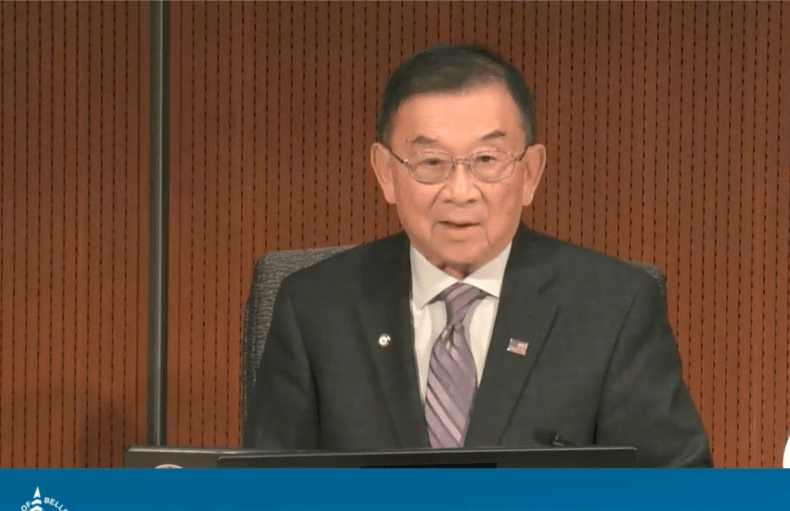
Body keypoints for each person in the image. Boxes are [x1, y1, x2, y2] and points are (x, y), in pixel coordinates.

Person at [242, 44, 712, 467]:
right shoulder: (316, 307)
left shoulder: (612, 307)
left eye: (487, 160)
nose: (461, 191)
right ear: (386, 172)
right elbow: (262, 507)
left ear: (530, 173)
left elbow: (680, 502)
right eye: (431, 163)